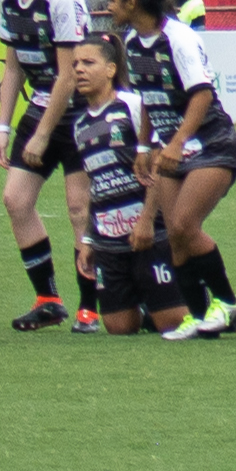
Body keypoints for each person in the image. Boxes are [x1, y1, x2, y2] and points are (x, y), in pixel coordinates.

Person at [105, 0, 236, 340]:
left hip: (212, 144)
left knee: (184, 225)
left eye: (114, 0)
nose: (109, 7)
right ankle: (200, 317)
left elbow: (201, 95)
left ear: (132, 1)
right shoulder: (131, 42)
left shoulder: (178, 38)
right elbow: (151, 100)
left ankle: (228, 301)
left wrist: (177, 141)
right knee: (175, 239)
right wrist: (145, 147)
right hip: (171, 149)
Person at [0, 0, 91, 331]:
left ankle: (92, 306)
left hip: (82, 113)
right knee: (16, 200)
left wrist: (43, 134)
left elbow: (69, 75)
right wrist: (3, 128)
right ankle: (49, 298)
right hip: (42, 110)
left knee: (78, 209)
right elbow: (13, 67)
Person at [59, 37, 179, 336]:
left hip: (147, 233)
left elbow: (157, 166)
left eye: (88, 63)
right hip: (109, 240)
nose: (79, 70)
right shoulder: (78, 125)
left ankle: (194, 291)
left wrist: (148, 220)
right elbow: (94, 188)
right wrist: (88, 240)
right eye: (75, 64)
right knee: (119, 328)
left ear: (111, 69)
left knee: (171, 323)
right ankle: (145, 301)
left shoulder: (133, 106)